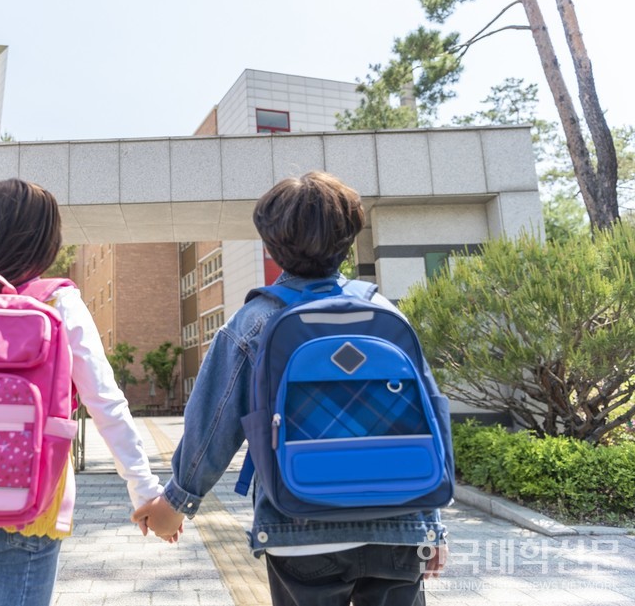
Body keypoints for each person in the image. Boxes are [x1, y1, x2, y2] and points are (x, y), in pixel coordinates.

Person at [132, 171, 448, 606]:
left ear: (270, 245)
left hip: (298, 525)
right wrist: (431, 527)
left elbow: (213, 425)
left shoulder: (254, 322)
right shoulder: (384, 313)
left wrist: (177, 502)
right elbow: (423, 424)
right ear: (349, 237)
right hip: (397, 527)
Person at [0, 179, 162, 606]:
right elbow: (105, 401)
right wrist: (145, 493)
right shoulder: (57, 302)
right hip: (30, 507)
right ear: (41, 241)